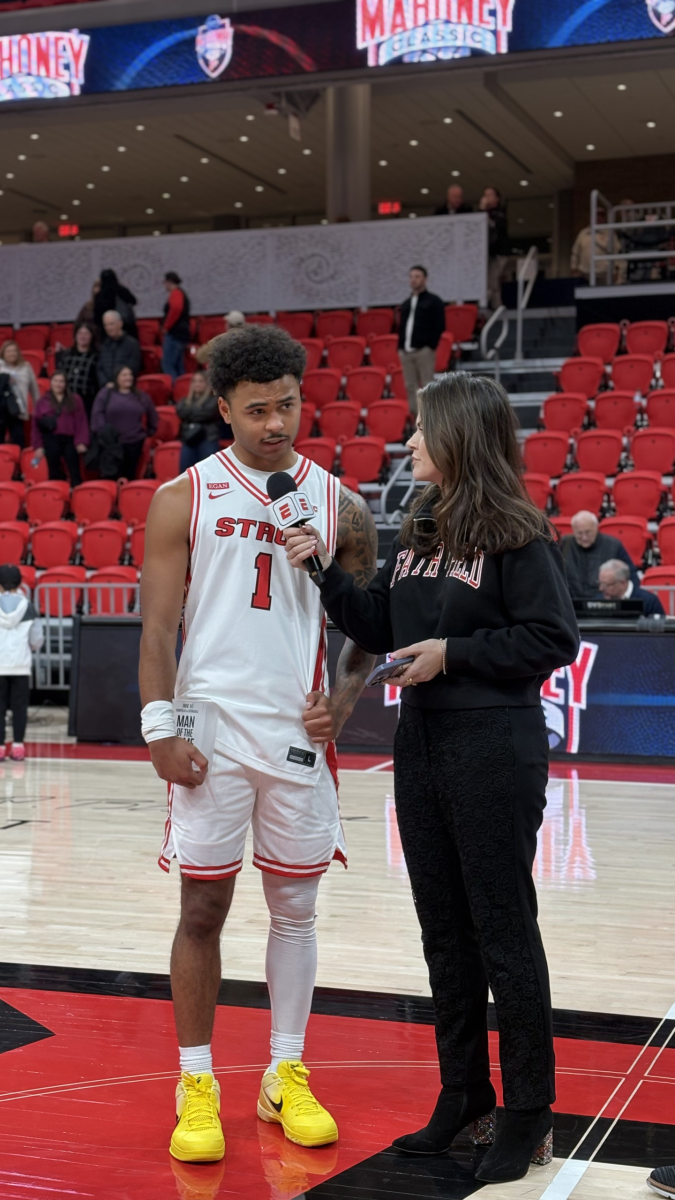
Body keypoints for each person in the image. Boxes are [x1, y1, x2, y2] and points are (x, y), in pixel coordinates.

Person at [284, 371, 579, 1185]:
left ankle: (528, 1113)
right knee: (443, 933)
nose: (408, 441)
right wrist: (322, 573)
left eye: (420, 430)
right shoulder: (417, 529)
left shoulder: (518, 535)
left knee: (501, 932)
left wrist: (455, 655)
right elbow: (377, 623)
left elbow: (552, 637)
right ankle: (463, 1095)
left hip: (494, 743)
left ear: (456, 437)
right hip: (420, 746)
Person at [139, 324, 378, 1165]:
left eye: (288, 405)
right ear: (225, 410)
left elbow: (366, 627)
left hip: (294, 735)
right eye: (258, 410)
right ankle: (195, 1081)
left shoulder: (339, 502)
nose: (277, 423)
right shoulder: (184, 497)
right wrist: (158, 728)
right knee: (202, 908)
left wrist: (343, 702)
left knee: (296, 909)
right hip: (208, 731)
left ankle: (284, 1073)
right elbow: (157, 630)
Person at [0, 563, 43, 763]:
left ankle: (0, 747)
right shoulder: (28, 606)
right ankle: (18, 747)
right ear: (19, 583)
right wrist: (30, 648)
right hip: (21, 665)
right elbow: (36, 639)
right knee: (19, 707)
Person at [90, 366, 157, 481]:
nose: (128, 377)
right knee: (110, 478)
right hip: (111, 445)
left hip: (134, 443)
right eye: (124, 375)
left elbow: (153, 416)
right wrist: (105, 432)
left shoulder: (141, 396)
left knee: (130, 477)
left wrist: (148, 432)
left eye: (130, 375)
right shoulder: (106, 393)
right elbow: (97, 414)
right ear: (117, 378)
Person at [397, 266, 445, 415]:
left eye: (417, 276)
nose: (413, 279)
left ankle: (431, 418)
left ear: (425, 279)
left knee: (427, 384)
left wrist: (430, 346)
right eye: (411, 276)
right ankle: (417, 420)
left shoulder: (434, 301)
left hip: (424, 350)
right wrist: (400, 347)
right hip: (406, 351)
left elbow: (440, 325)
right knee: (410, 386)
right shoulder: (406, 303)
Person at [560, 511, 638, 600]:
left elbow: (630, 575)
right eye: (579, 533)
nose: (584, 537)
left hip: (604, 602)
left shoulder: (613, 546)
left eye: (588, 532)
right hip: (571, 602)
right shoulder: (563, 545)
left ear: (596, 528)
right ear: (573, 530)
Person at [31, 371, 89, 488]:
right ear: (51, 383)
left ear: (66, 384)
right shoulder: (42, 401)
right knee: (54, 470)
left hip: (70, 439)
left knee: (74, 471)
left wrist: (81, 441)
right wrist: (38, 446)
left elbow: (81, 422)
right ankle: (56, 495)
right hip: (50, 439)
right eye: (56, 381)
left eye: (61, 381)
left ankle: (77, 497)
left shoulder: (75, 399)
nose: (58, 384)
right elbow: (36, 426)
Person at [176, 370, 226, 473]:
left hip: (207, 439)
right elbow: (180, 412)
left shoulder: (214, 400)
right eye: (194, 381)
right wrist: (197, 411)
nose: (197, 384)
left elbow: (207, 413)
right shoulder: (185, 400)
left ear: (207, 384)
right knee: (185, 474)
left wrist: (189, 413)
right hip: (189, 439)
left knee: (208, 474)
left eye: (200, 381)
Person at [55, 322, 99, 416]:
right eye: (80, 333)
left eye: (86, 333)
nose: (82, 336)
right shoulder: (67, 354)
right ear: (75, 336)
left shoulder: (96, 356)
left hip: (88, 401)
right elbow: (60, 374)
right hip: (67, 399)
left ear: (91, 336)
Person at [0, 340, 38, 443]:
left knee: (19, 441)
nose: (12, 353)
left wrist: (38, 408)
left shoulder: (26, 366)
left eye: (14, 351)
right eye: (8, 351)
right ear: (3, 353)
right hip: (1, 412)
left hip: (18, 411)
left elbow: (34, 390)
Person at [598, 558, 665, 615]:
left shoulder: (649, 602)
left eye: (606, 585)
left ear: (622, 583)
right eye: (600, 583)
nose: (601, 588)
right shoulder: (598, 601)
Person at [479, 186, 509, 309]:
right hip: (486, 253)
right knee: (492, 282)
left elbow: (496, 228)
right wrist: (481, 210)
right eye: (485, 195)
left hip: (498, 253)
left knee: (492, 280)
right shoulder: (482, 213)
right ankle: (497, 305)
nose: (487, 198)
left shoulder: (500, 213)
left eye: (490, 195)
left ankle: (486, 306)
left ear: (497, 198)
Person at [97, 311, 142, 390]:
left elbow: (133, 367)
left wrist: (117, 383)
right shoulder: (104, 345)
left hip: (125, 388)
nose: (108, 328)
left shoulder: (132, 344)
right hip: (106, 388)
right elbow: (100, 368)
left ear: (120, 323)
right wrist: (105, 383)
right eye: (106, 325)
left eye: (111, 324)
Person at [162, 272, 192, 381]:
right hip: (181, 334)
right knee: (179, 366)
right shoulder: (181, 293)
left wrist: (166, 326)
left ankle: (175, 391)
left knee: (168, 365)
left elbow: (176, 309)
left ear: (169, 282)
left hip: (174, 334)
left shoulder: (176, 293)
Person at [570, 207, 612, 284]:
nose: (599, 218)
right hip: (585, 274)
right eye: (596, 215)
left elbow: (616, 252)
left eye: (602, 215)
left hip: (604, 275)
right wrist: (573, 267)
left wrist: (617, 271)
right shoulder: (583, 233)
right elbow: (575, 252)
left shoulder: (610, 233)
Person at [94, 268, 138, 339]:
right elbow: (134, 301)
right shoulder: (122, 291)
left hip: (107, 334)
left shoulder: (100, 296)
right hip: (127, 331)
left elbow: (97, 318)